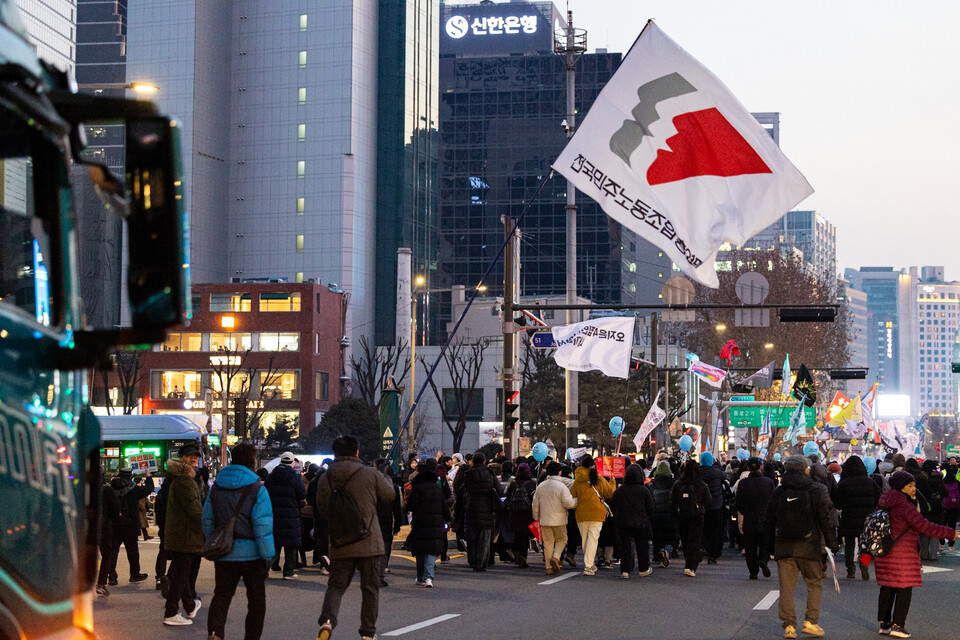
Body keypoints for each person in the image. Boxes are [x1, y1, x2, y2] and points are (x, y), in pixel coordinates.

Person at [316, 436, 396, 640]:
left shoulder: (325, 479)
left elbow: (323, 509)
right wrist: (385, 476)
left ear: (334, 454)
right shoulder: (370, 474)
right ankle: (368, 633)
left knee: (336, 586)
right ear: (357, 452)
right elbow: (389, 495)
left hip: (340, 542)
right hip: (369, 541)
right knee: (370, 589)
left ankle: (327, 621)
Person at [871, 471, 959, 637]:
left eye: (914, 485)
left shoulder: (884, 502)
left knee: (888, 588)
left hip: (885, 552)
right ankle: (898, 625)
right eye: (910, 486)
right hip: (902, 554)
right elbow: (925, 526)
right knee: (904, 588)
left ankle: (885, 624)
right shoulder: (904, 506)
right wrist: (949, 533)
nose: (913, 489)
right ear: (900, 487)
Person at [203, 443, 275, 640]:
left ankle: (216, 634)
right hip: (252, 554)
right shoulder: (257, 488)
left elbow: (207, 518)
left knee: (222, 596)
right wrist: (268, 554)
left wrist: (215, 541)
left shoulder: (217, 486)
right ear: (252, 462)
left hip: (224, 553)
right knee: (256, 600)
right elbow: (262, 526)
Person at [765, 456, 838, 639]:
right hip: (809, 546)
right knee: (814, 583)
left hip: (784, 546)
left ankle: (789, 626)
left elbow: (769, 521)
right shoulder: (816, 490)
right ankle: (811, 623)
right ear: (806, 470)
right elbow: (824, 519)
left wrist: (768, 548)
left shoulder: (779, 491)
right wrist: (832, 543)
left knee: (787, 588)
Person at [163, 443, 205, 627]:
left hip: (181, 533)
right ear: (181, 458)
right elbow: (195, 510)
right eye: (190, 456)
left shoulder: (180, 478)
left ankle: (190, 604)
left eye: (196, 455)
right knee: (181, 575)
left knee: (182, 571)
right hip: (186, 534)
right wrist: (208, 525)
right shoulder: (184, 481)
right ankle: (171, 612)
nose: (194, 458)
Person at [833, 455, 881, 580]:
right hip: (867, 519)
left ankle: (850, 570)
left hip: (849, 517)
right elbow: (878, 501)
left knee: (849, 545)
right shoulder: (871, 483)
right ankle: (864, 563)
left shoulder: (844, 484)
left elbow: (837, 503)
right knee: (865, 545)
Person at [405, 457, 450, 588]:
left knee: (420, 550)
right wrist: (447, 519)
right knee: (431, 550)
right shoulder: (437, 488)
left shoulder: (417, 488)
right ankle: (429, 577)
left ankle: (420, 577)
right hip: (436, 523)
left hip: (420, 522)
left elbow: (411, 507)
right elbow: (444, 506)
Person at [569, 454, 615, 576]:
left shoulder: (577, 481)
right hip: (597, 513)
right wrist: (613, 482)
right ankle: (588, 566)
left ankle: (589, 563)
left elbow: (572, 495)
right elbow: (610, 493)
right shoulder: (599, 479)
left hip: (581, 513)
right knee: (593, 539)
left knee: (585, 540)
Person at [265, 451, 307, 579]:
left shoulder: (271, 476)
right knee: (291, 545)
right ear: (293, 462)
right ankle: (288, 572)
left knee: (275, 545)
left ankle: (263, 570)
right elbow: (302, 494)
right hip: (291, 515)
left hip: (274, 514)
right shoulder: (295, 477)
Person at [110, 467, 155, 583]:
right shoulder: (134, 489)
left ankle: (112, 576)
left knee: (112, 552)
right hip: (130, 525)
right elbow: (149, 488)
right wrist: (148, 476)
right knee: (133, 552)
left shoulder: (111, 488)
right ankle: (134, 574)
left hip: (115, 524)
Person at [532, 461, 576, 575]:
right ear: (559, 472)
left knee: (547, 543)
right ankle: (556, 558)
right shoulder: (562, 486)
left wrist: (536, 517)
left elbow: (535, 504)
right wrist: (576, 501)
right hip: (559, 519)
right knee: (562, 540)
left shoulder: (541, 486)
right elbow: (568, 503)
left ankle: (548, 567)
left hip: (545, 519)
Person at [459, 452, 501, 571]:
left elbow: (466, 489)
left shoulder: (468, 474)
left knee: (473, 537)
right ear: (484, 461)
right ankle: (482, 563)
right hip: (487, 508)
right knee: (485, 538)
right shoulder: (490, 474)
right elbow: (500, 490)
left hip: (472, 506)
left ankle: (473, 560)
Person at [611, 463, 654, 579]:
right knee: (642, 546)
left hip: (623, 522)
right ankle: (643, 569)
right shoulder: (644, 490)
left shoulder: (620, 491)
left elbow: (613, 505)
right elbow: (650, 507)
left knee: (625, 546)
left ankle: (625, 570)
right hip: (641, 522)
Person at [670, 459, 709, 577]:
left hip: (682, 515)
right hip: (697, 515)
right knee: (695, 540)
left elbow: (672, 500)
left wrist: (674, 513)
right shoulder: (701, 484)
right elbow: (708, 500)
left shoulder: (678, 483)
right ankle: (690, 566)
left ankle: (689, 561)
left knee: (685, 539)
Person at [504, 462, 537, 569]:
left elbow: (508, 497)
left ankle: (516, 552)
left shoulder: (513, 483)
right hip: (527, 513)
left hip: (515, 513)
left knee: (517, 535)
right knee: (525, 536)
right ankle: (523, 557)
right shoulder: (532, 484)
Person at [376, 462, 403, 585]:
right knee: (384, 549)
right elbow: (398, 508)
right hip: (387, 521)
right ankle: (380, 573)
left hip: (372, 520)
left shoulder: (372, 485)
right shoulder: (395, 487)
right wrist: (398, 524)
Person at [96, 470, 121, 597]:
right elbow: (115, 509)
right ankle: (101, 583)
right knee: (107, 554)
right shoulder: (107, 491)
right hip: (103, 527)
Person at [649, 460, 678, 568]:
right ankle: (667, 550)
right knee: (672, 537)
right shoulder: (674, 483)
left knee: (657, 537)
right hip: (670, 513)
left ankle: (659, 554)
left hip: (655, 514)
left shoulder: (653, 483)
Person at [697, 452, 725, 564]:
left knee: (701, 529)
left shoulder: (697, 472)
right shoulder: (717, 472)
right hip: (716, 504)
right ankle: (714, 554)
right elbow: (724, 477)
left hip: (700, 504)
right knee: (715, 530)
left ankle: (703, 547)